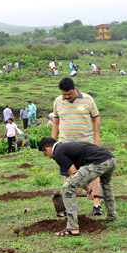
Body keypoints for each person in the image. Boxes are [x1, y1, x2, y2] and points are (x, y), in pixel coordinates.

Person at [38, 137, 118, 236]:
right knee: (106, 185)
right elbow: (78, 174)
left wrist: (89, 191)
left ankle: (72, 228)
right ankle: (112, 216)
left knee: (67, 188)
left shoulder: (58, 153)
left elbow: (73, 173)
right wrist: (85, 189)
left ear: (47, 149)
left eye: (45, 154)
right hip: (110, 159)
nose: (49, 157)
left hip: (98, 162)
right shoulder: (64, 147)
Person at [53, 77, 104, 215]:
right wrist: (53, 142)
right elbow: (56, 123)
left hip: (86, 145)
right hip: (65, 146)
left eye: (69, 94)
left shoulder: (88, 99)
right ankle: (68, 207)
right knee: (67, 175)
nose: (67, 97)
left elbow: (96, 118)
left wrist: (97, 139)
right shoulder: (58, 101)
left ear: (75, 88)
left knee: (92, 174)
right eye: (64, 94)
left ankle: (96, 205)